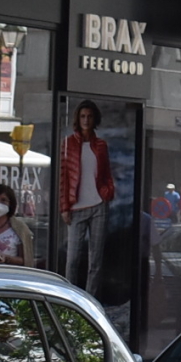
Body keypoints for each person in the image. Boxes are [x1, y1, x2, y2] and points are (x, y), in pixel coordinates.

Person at [60, 100, 116, 296]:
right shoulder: (68, 144)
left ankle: (90, 299)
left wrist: (109, 191)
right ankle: (69, 298)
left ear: (95, 119)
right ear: (78, 118)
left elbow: (107, 172)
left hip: (99, 206)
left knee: (96, 260)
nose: (86, 120)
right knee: (72, 258)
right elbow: (64, 176)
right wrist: (64, 207)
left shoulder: (101, 145)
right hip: (77, 208)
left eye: (89, 116)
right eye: (83, 116)